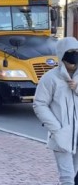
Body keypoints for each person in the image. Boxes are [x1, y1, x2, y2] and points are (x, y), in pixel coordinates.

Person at [34, 37, 78, 185]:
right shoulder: (50, 78)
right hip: (62, 135)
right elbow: (39, 104)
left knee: (73, 173)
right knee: (67, 177)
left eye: (77, 51)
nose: (74, 55)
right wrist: (56, 129)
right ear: (62, 54)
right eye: (70, 52)